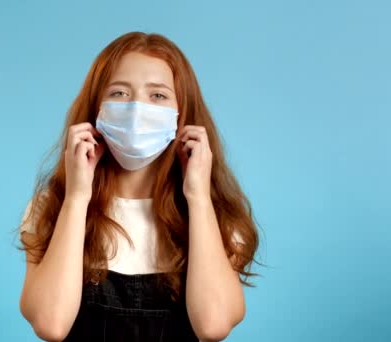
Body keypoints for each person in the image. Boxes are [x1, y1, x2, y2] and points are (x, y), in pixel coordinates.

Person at [17, 32, 259, 342]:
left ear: (182, 113)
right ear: (96, 108)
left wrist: (198, 197)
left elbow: (213, 325)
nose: (135, 110)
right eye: (118, 93)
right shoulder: (52, 205)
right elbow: (49, 324)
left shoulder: (217, 216)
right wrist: (77, 197)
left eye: (157, 95)